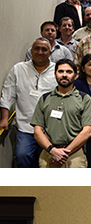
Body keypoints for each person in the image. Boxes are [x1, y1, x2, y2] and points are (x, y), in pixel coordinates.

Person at [0, 38, 57, 167]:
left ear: (50, 52)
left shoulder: (57, 71)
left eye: (44, 49)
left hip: (50, 128)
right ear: (31, 51)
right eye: (37, 48)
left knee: (48, 162)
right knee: (22, 156)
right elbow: (8, 94)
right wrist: (4, 118)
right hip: (26, 126)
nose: (40, 52)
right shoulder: (18, 69)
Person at [31, 59, 91, 168]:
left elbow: (87, 131)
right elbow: (38, 131)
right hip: (49, 154)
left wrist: (64, 153)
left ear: (75, 76)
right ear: (55, 74)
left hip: (74, 155)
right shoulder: (45, 98)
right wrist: (53, 150)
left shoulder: (84, 99)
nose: (64, 75)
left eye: (69, 72)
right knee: (47, 186)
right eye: (61, 71)